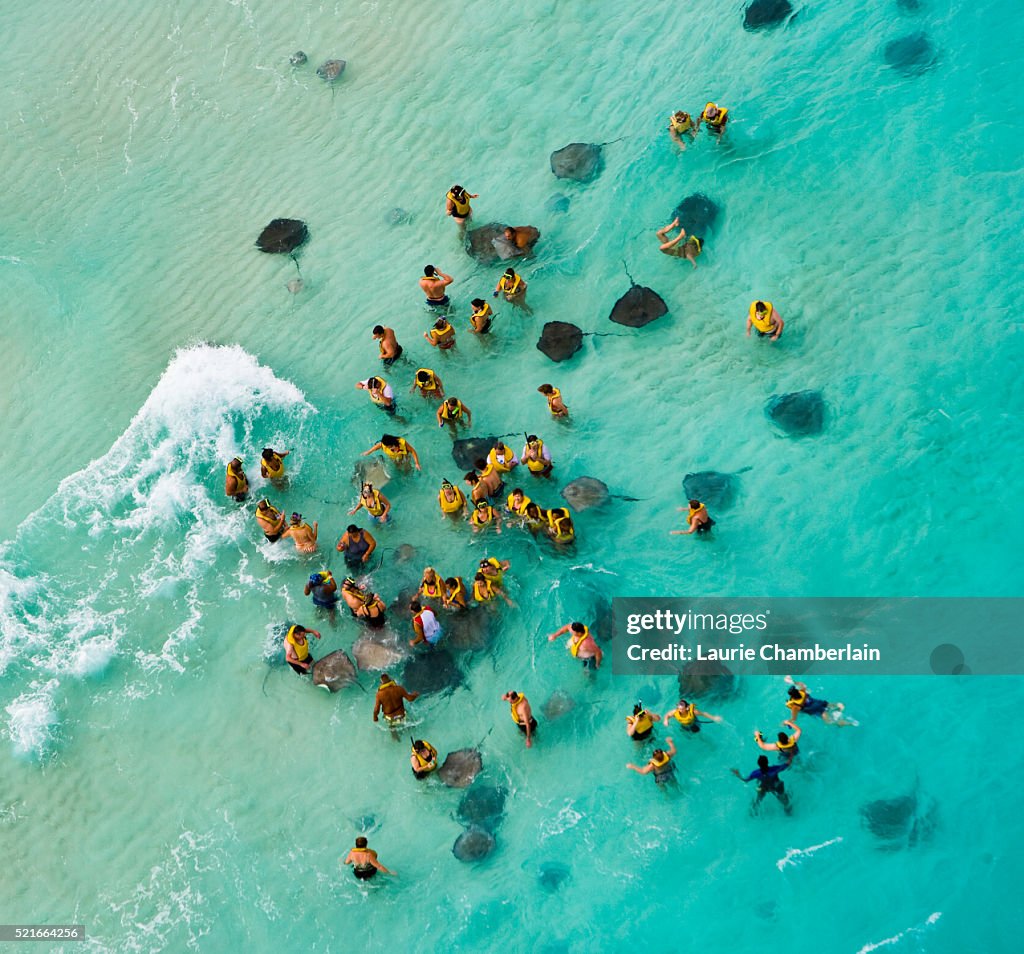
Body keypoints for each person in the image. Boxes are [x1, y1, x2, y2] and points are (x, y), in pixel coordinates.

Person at [784, 677, 853, 725]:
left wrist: (786, 722)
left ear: (792, 696)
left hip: (817, 710)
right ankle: (839, 706)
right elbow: (802, 684)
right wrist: (793, 682)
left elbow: (794, 719)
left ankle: (844, 723)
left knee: (829, 722)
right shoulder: (803, 691)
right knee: (830, 705)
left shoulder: (795, 706)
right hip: (819, 703)